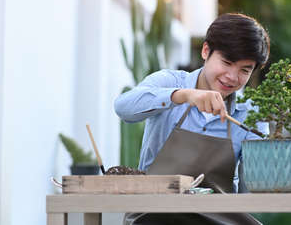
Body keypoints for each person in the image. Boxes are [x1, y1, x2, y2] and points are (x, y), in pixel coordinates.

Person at [114, 13, 270, 225]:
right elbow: (123, 107)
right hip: (154, 214)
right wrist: (184, 95)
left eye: (244, 70)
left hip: (218, 218)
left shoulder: (251, 111)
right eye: (227, 62)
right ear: (206, 51)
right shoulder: (169, 81)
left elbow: (254, 189)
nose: (232, 77)